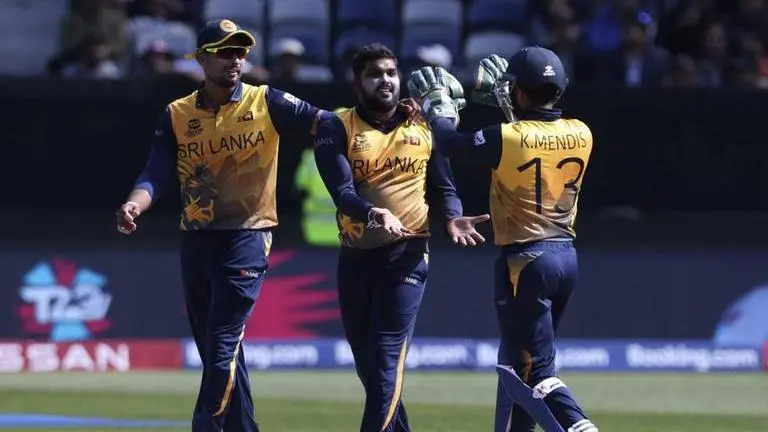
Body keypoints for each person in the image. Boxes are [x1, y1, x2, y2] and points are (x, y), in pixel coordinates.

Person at [114, 18, 325, 432]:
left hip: (248, 234)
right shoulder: (177, 114)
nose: (235, 60)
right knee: (216, 350)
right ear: (201, 59)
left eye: (241, 52)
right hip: (197, 239)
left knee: (223, 343)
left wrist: (387, 116)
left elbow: (329, 122)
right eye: (225, 52)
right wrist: (133, 204)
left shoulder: (267, 101)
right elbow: (155, 173)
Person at [408, 48, 598, 432]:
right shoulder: (582, 131)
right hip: (565, 257)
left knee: (534, 372)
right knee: (517, 363)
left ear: (521, 91)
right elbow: (533, 137)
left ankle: (579, 426)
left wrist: (438, 107)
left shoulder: (507, 137)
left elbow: (451, 143)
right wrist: (512, 101)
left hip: (526, 263)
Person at [313, 43, 489, 432]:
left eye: (392, 73)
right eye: (375, 74)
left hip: (407, 255)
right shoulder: (336, 127)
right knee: (370, 369)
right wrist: (372, 212)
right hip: (356, 259)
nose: (386, 81)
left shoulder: (422, 125)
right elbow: (342, 193)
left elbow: (444, 187)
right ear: (356, 82)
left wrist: (453, 217)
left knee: (386, 361)